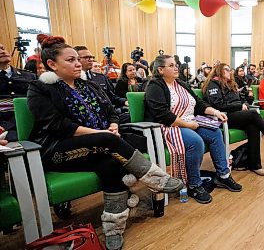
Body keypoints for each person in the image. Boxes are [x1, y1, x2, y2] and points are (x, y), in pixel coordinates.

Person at [28, 35, 183, 250]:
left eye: (77, 59)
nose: (77, 63)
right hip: (59, 150)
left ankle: (113, 229)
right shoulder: (40, 89)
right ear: (52, 64)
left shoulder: (89, 85)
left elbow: (112, 110)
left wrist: (113, 126)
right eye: (70, 60)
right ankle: (156, 179)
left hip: (101, 146)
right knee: (108, 142)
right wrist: (103, 134)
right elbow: (57, 125)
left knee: (111, 164)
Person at [144, 55, 242, 204]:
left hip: (190, 121)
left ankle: (223, 176)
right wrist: (188, 125)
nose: (176, 67)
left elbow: (199, 103)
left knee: (215, 132)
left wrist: (215, 112)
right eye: (171, 65)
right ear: (160, 70)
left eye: (175, 64)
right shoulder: (155, 86)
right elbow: (162, 115)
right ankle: (194, 185)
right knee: (196, 142)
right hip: (169, 126)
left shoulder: (181, 84)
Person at [203, 64, 264, 176]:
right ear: (218, 71)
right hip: (222, 117)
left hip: (235, 115)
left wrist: (244, 104)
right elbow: (218, 104)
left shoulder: (230, 84)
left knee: (253, 126)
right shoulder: (213, 84)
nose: (229, 72)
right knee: (253, 114)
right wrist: (239, 106)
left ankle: (255, 165)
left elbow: (242, 99)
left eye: (229, 69)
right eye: (226, 70)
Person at [0, 42, 36, 141]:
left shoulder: (29, 76)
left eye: (3, 48)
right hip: (4, 127)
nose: (2, 51)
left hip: (31, 121)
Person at [74, 46, 128, 111]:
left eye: (91, 57)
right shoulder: (72, 80)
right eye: (86, 57)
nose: (90, 59)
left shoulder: (101, 77)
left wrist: (125, 101)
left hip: (108, 113)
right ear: (76, 59)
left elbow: (112, 97)